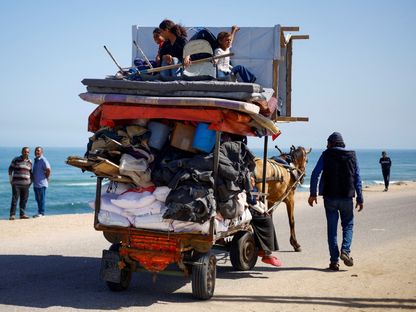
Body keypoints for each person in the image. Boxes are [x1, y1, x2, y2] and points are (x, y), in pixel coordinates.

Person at [308, 132, 364, 271]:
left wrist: (313, 194)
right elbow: (357, 177)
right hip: (347, 198)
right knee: (348, 225)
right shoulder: (352, 155)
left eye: (328, 143)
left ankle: (334, 262)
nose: (326, 145)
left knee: (332, 231)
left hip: (330, 198)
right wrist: (360, 197)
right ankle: (345, 251)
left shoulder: (326, 154)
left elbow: (315, 174)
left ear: (332, 143)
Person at [247, 176, 282, 267]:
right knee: (267, 221)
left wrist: (264, 208)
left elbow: (257, 201)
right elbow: (252, 203)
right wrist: (263, 211)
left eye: (254, 181)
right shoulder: (248, 190)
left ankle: (265, 250)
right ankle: (266, 252)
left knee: (267, 217)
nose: (253, 183)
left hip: (254, 209)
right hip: (251, 211)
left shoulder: (253, 189)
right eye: (251, 182)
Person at [8, 147, 32, 220]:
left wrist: (30, 182)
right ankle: (12, 215)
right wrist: (10, 179)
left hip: (26, 184)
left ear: (29, 153)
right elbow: (10, 169)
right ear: (22, 152)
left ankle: (22, 214)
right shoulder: (16, 159)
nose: (26, 153)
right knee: (15, 199)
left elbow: (30, 172)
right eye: (25, 151)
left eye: (27, 152)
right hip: (16, 183)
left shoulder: (30, 161)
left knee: (24, 200)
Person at [32, 146, 51, 217]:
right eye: (36, 150)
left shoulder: (43, 159)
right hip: (36, 183)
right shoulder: (36, 160)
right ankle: (39, 212)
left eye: (38, 151)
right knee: (37, 199)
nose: (37, 152)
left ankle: (41, 213)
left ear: (42, 152)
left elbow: (48, 169)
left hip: (41, 183)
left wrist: (47, 176)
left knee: (41, 199)